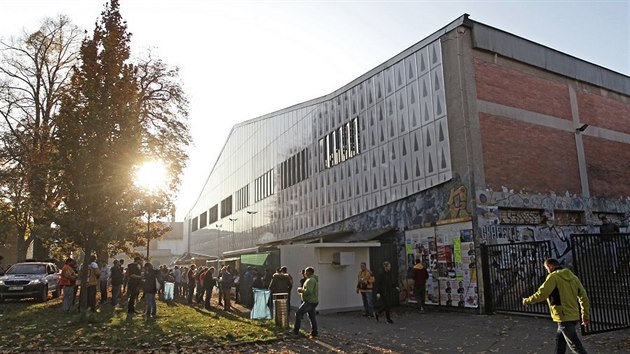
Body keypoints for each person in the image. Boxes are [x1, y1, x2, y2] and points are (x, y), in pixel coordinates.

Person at [522, 258, 590, 354]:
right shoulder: (573, 277)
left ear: (550, 266)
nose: (547, 271)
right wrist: (585, 315)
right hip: (573, 315)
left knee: (575, 346)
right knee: (560, 341)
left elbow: (542, 294)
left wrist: (527, 301)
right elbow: (583, 297)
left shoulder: (553, 277)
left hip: (562, 316)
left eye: (546, 269)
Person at [292, 266, 319, 338]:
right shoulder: (313, 279)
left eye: (306, 272)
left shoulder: (310, 280)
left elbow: (309, 291)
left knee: (298, 313)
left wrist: (301, 290)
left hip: (309, 301)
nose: (304, 273)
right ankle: (314, 332)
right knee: (312, 316)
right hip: (313, 301)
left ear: (309, 272)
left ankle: (296, 331)